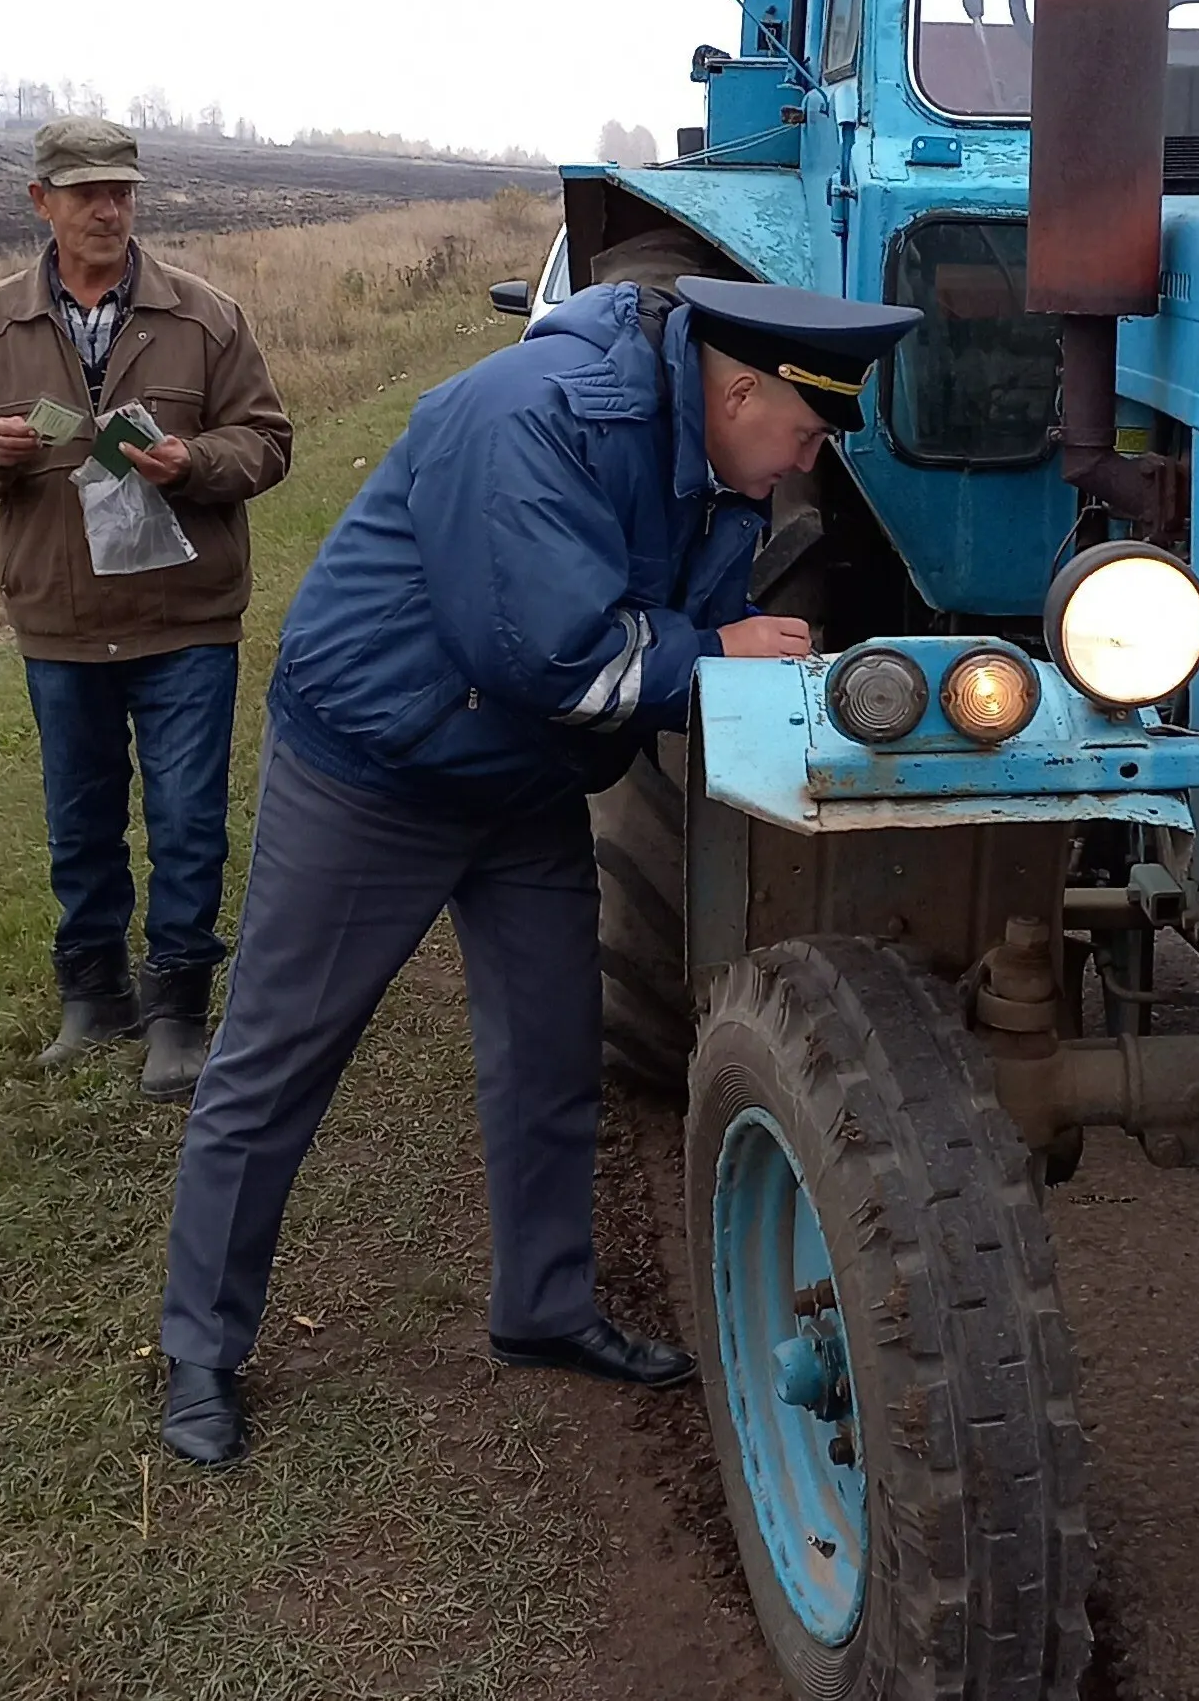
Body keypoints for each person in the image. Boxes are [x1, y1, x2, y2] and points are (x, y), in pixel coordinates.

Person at [155, 270, 921, 1466]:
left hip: (520, 780)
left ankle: (545, 1309)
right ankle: (200, 1347)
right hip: (380, 762)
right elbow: (555, 656)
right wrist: (716, 650)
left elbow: (644, 642)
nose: (806, 462)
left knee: (552, 1047)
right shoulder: (539, 415)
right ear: (742, 388)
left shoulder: (718, 468)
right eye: (808, 432)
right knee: (279, 1053)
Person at [0, 116, 294, 1100]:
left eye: (122, 188)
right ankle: (92, 997)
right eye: (85, 191)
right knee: (79, 820)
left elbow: (267, 439)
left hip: (186, 618)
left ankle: (177, 1008)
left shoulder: (206, 317)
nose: (108, 207)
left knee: (187, 818)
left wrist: (195, 462)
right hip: (61, 620)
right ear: (40, 201)